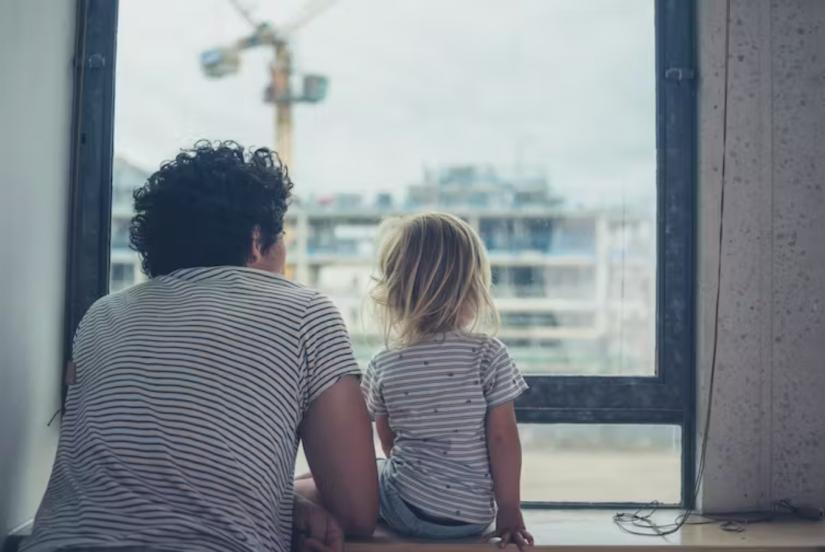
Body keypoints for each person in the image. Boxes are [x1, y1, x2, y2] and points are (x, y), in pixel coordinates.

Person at [22, 141, 378, 552]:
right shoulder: (305, 313)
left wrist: (283, 504)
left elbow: (148, 470)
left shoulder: (102, 316)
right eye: (280, 236)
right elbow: (355, 510)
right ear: (257, 241)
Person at [360, 212, 533, 550]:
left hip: (404, 511)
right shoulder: (488, 354)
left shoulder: (384, 363)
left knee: (360, 472)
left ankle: (297, 497)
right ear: (472, 289)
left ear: (395, 294)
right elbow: (502, 438)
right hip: (472, 518)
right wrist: (510, 510)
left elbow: (388, 439)